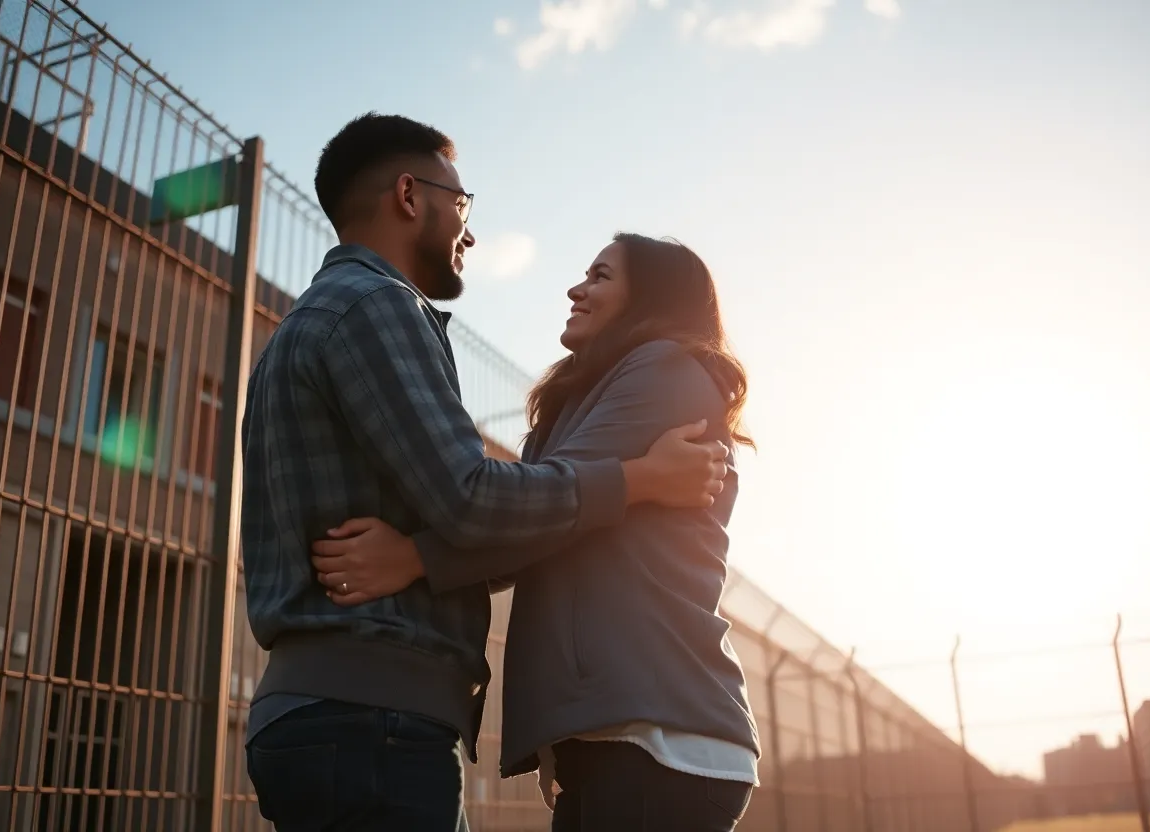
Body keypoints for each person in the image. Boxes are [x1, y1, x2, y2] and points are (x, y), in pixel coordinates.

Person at [240, 113, 731, 832]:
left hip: (350, 717)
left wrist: (415, 557)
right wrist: (636, 480)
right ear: (410, 196)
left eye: (600, 274)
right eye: (462, 204)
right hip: (368, 719)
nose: (468, 232)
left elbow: (508, 518)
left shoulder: (311, 321)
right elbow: (475, 499)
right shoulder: (377, 306)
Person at [312, 232, 760, 831]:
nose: (577, 289)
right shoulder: (580, 402)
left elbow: (537, 512)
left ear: (652, 296)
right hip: (619, 733)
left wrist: (413, 558)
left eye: (601, 276)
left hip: (660, 734)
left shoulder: (666, 370)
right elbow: (531, 520)